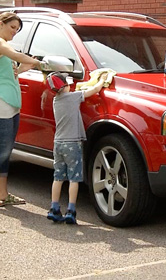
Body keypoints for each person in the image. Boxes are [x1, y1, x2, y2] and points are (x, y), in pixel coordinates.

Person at [0, 12, 41, 207]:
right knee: (1, 151)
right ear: (1, 24)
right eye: (13, 27)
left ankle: (2, 193)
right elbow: (14, 54)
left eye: (17, 29)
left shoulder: (4, 49)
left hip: (12, 105)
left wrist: (26, 66)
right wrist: (38, 62)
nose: (15, 32)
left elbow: (13, 73)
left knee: (6, 151)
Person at [46, 71, 108, 224]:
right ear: (65, 85)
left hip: (58, 143)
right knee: (74, 179)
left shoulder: (56, 100)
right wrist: (102, 80)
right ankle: (71, 210)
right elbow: (93, 90)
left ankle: (54, 208)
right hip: (72, 144)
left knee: (58, 177)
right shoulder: (73, 97)